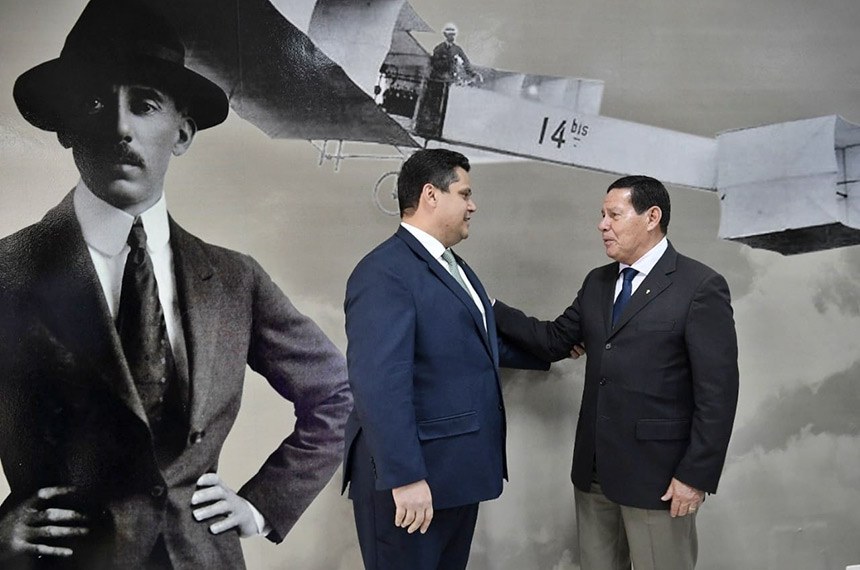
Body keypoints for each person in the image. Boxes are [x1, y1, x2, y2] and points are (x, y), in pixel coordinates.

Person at [0, 0, 351, 568]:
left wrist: (262, 507)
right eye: (94, 103)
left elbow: (338, 393)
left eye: (144, 105)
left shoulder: (234, 280)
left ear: (182, 131)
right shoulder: (10, 271)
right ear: (65, 127)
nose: (120, 127)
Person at [493, 175, 739, 570]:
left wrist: (695, 476)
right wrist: (488, 306)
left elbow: (718, 394)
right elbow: (553, 341)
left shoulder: (700, 286)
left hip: (660, 478)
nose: (602, 225)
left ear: (651, 217)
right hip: (594, 474)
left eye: (613, 215)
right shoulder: (598, 282)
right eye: (602, 215)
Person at [342, 149, 549, 570]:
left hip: (453, 476)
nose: (473, 206)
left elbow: (472, 341)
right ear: (431, 195)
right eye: (465, 194)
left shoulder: (453, 266)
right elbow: (378, 383)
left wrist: (555, 347)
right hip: (410, 482)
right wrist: (406, 477)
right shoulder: (383, 272)